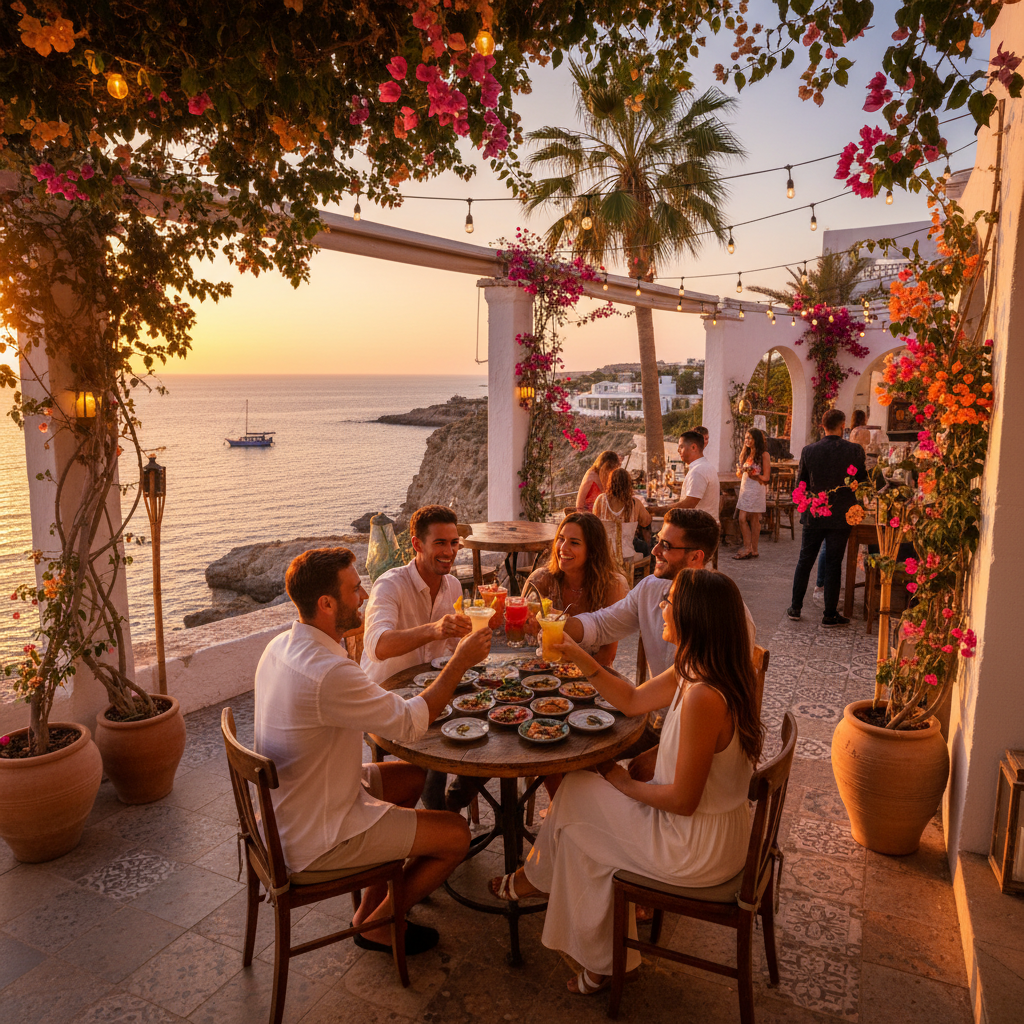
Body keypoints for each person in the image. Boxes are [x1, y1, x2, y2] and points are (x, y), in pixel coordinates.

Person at [489, 569, 764, 995]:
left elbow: (682, 801)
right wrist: (576, 653)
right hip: (708, 830)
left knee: (581, 803)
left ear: (695, 616)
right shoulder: (699, 669)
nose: (661, 607)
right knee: (581, 809)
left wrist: (620, 783)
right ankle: (600, 956)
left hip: (696, 848)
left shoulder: (705, 696)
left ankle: (554, 900)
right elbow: (632, 700)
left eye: (670, 601)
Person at [254, 547, 493, 956]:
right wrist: (461, 658)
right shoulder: (329, 673)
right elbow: (411, 723)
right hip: (317, 835)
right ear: (326, 604)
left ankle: (368, 911)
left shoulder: (281, 645)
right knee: (455, 835)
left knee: (412, 776)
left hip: (290, 807)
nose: (363, 596)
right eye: (354, 589)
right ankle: (381, 923)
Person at [563, 507, 756, 784]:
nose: (654, 551)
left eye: (666, 546)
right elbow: (603, 624)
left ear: (695, 557)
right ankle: (577, 818)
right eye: (657, 540)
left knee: (602, 770)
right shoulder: (652, 587)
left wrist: (662, 752)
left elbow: (727, 711)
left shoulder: (727, 619)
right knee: (572, 745)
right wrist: (556, 626)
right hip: (651, 720)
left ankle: (589, 818)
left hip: (698, 736)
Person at [361, 504, 473, 811]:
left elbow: (450, 648)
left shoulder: (451, 584)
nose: (449, 551)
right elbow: (377, 646)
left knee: (486, 725)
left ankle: (452, 806)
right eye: (440, 542)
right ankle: (438, 817)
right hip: (388, 699)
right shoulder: (389, 585)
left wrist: (469, 638)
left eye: (454, 543)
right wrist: (434, 630)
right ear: (416, 544)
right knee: (441, 739)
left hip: (430, 692)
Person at [787, 409, 868, 626]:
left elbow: (800, 486)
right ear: (843, 426)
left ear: (822, 426)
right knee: (833, 563)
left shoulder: (809, 451)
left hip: (814, 514)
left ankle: (795, 607)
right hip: (842, 516)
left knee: (805, 561)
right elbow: (863, 484)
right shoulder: (855, 450)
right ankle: (829, 613)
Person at [524, 511, 628, 668]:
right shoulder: (541, 580)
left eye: (574, 543)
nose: (563, 548)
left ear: (593, 551)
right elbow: (521, 644)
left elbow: (607, 656)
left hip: (593, 675)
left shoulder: (612, 586)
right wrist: (527, 627)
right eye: (561, 539)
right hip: (544, 672)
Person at [651, 430, 719, 521]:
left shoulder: (698, 470)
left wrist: (657, 510)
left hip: (700, 527)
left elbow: (689, 504)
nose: (678, 450)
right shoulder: (705, 466)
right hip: (705, 524)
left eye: (681, 447)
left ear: (693, 447)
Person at [593, 467, 654, 556]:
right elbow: (646, 522)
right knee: (644, 546)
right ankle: (646, 566)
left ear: (610, 483)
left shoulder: (601, 500)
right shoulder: (635, 503)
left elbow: (594, 524)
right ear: (628, 484)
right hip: (627, 555)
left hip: (604, 553)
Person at [734, 427, 771, 560]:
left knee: (748, 518)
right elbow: (741, 474)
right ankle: (750, 548)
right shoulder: (747, 454)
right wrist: (740, 471)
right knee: (745, 518)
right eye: (745, 438)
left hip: (756, 488)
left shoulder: (764, 455)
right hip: (745, 488)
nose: (746, 440)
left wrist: (755, 475)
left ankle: (750, 548)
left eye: (749, 438)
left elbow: (766, 477)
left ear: (757, 439)